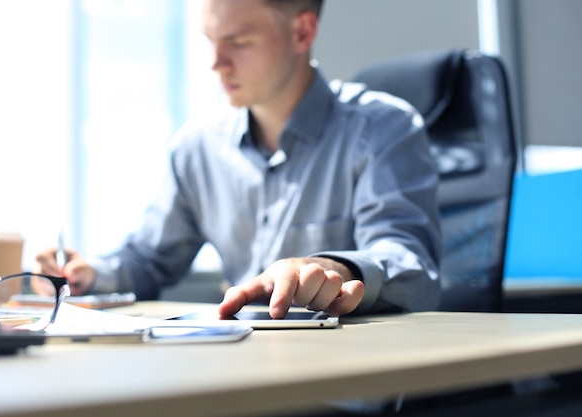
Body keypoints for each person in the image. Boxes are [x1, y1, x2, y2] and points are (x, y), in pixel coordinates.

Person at [35, 0, 441, 318]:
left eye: (238, 42)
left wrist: (332, 268)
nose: (215, 62)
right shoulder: (197, 149)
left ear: (302, 32)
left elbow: (410, 268)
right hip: (242, 371)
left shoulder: (383, 129)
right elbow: (149, 261)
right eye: (210, 39)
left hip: (349, 380)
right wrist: (89, 276)